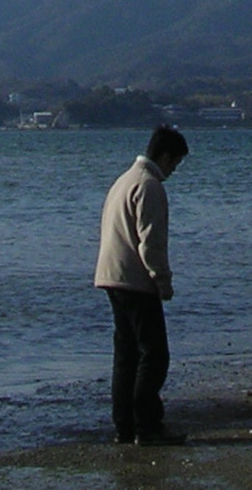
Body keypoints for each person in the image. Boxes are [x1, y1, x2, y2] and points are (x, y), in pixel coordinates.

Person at [94, 126, 189, 445]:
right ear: (164, 156)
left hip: (110, 275)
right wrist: (162, 280)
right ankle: (147, 424)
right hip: (135, 279)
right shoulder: (150, 186)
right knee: (155, 355)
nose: (173, 171)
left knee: (126, 354)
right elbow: (151, 243)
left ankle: (124, 425)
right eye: (174, 163)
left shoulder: (123, 180)